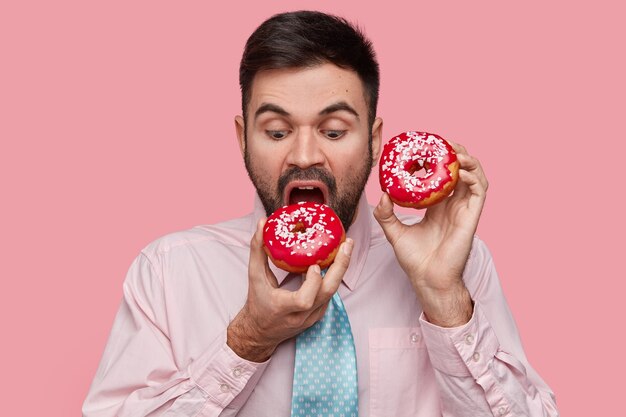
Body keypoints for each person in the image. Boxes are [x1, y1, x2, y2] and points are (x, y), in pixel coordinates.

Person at [83, 10, 558, 417]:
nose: (304, 155)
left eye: (333, 131)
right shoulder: (170, 272)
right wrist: (246, 341)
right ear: (241, 138)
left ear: (374, 141)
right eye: (275, 131)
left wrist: (446, 302)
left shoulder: (460, 266)